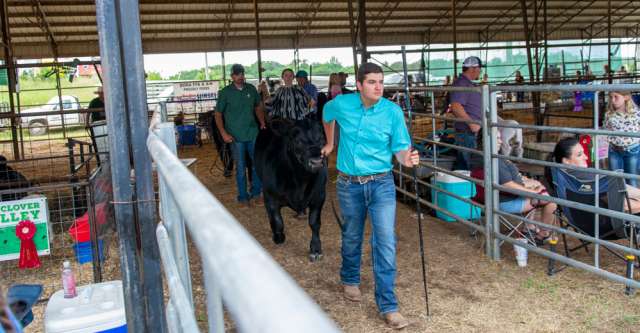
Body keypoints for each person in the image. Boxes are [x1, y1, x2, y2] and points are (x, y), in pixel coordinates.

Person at [321, 62, 419, 330]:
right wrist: (331, 142)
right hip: (348, 184)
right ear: (360, 85)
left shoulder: (392, 112)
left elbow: (400, 150)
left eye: (381, 82)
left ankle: (388, 306)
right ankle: (350, 278)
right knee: (352, 234)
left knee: (385, 240)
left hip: (382, 184)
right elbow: (326, 114)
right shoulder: (342, 103)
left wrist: (407, 160)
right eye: (373, 82)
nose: (379, 87)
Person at [215, 64, 266, 207]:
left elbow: (257, 106)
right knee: (241, 167)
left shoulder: (251, 89)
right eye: (237, 74)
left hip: (252, 132)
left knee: (257, 164)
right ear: (232, 77)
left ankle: (256, 193)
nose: (240, 76)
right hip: (235, 136)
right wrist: (223, 133)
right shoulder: (225, 92)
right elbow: (218, 114)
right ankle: (242, 196)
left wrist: (262, 121)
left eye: (242, 73)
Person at [450, 56, 483, 170]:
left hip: (469, 133)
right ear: (473, 69)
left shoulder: (466, 83)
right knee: (469, 166)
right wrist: (472, 123)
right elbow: (456, 106)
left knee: (467, 164)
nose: (480, 72)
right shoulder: (462, 84)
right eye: (479, 69)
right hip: (467, 133)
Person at [604, 91, 640, 186]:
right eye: (611, 97)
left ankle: (633, 200)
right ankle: (617, 200)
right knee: (614, 179)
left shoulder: (636, 113)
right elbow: (607, 128)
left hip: (632, 150)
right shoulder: (609, 114)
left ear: (626, 97)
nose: (613, 100)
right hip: (614, 149)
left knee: (632, 179)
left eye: (616, 97)